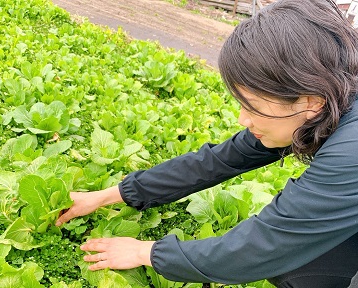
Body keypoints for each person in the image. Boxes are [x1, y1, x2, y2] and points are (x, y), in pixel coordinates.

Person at [56, 0, 358, 287]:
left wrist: (145, 252)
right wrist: (103, 196)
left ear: (310, 102)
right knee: (304, 266)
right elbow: (217, 161)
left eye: (252, 105)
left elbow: (265, 244)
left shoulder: (350, 153)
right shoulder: (331, 97)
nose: (243, 119)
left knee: (298, 258)